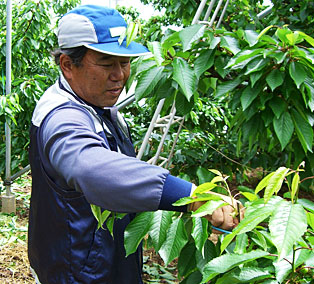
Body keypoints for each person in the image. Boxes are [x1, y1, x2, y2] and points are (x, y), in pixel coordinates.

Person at [28, 5, 239, 284]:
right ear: (68, 65)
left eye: (125, 62)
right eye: (106, 63)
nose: (120, 75)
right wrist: (193, 196)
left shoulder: (101, 109)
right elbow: (92, 169)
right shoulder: (62, 117)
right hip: (78, 273)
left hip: (105, 264)